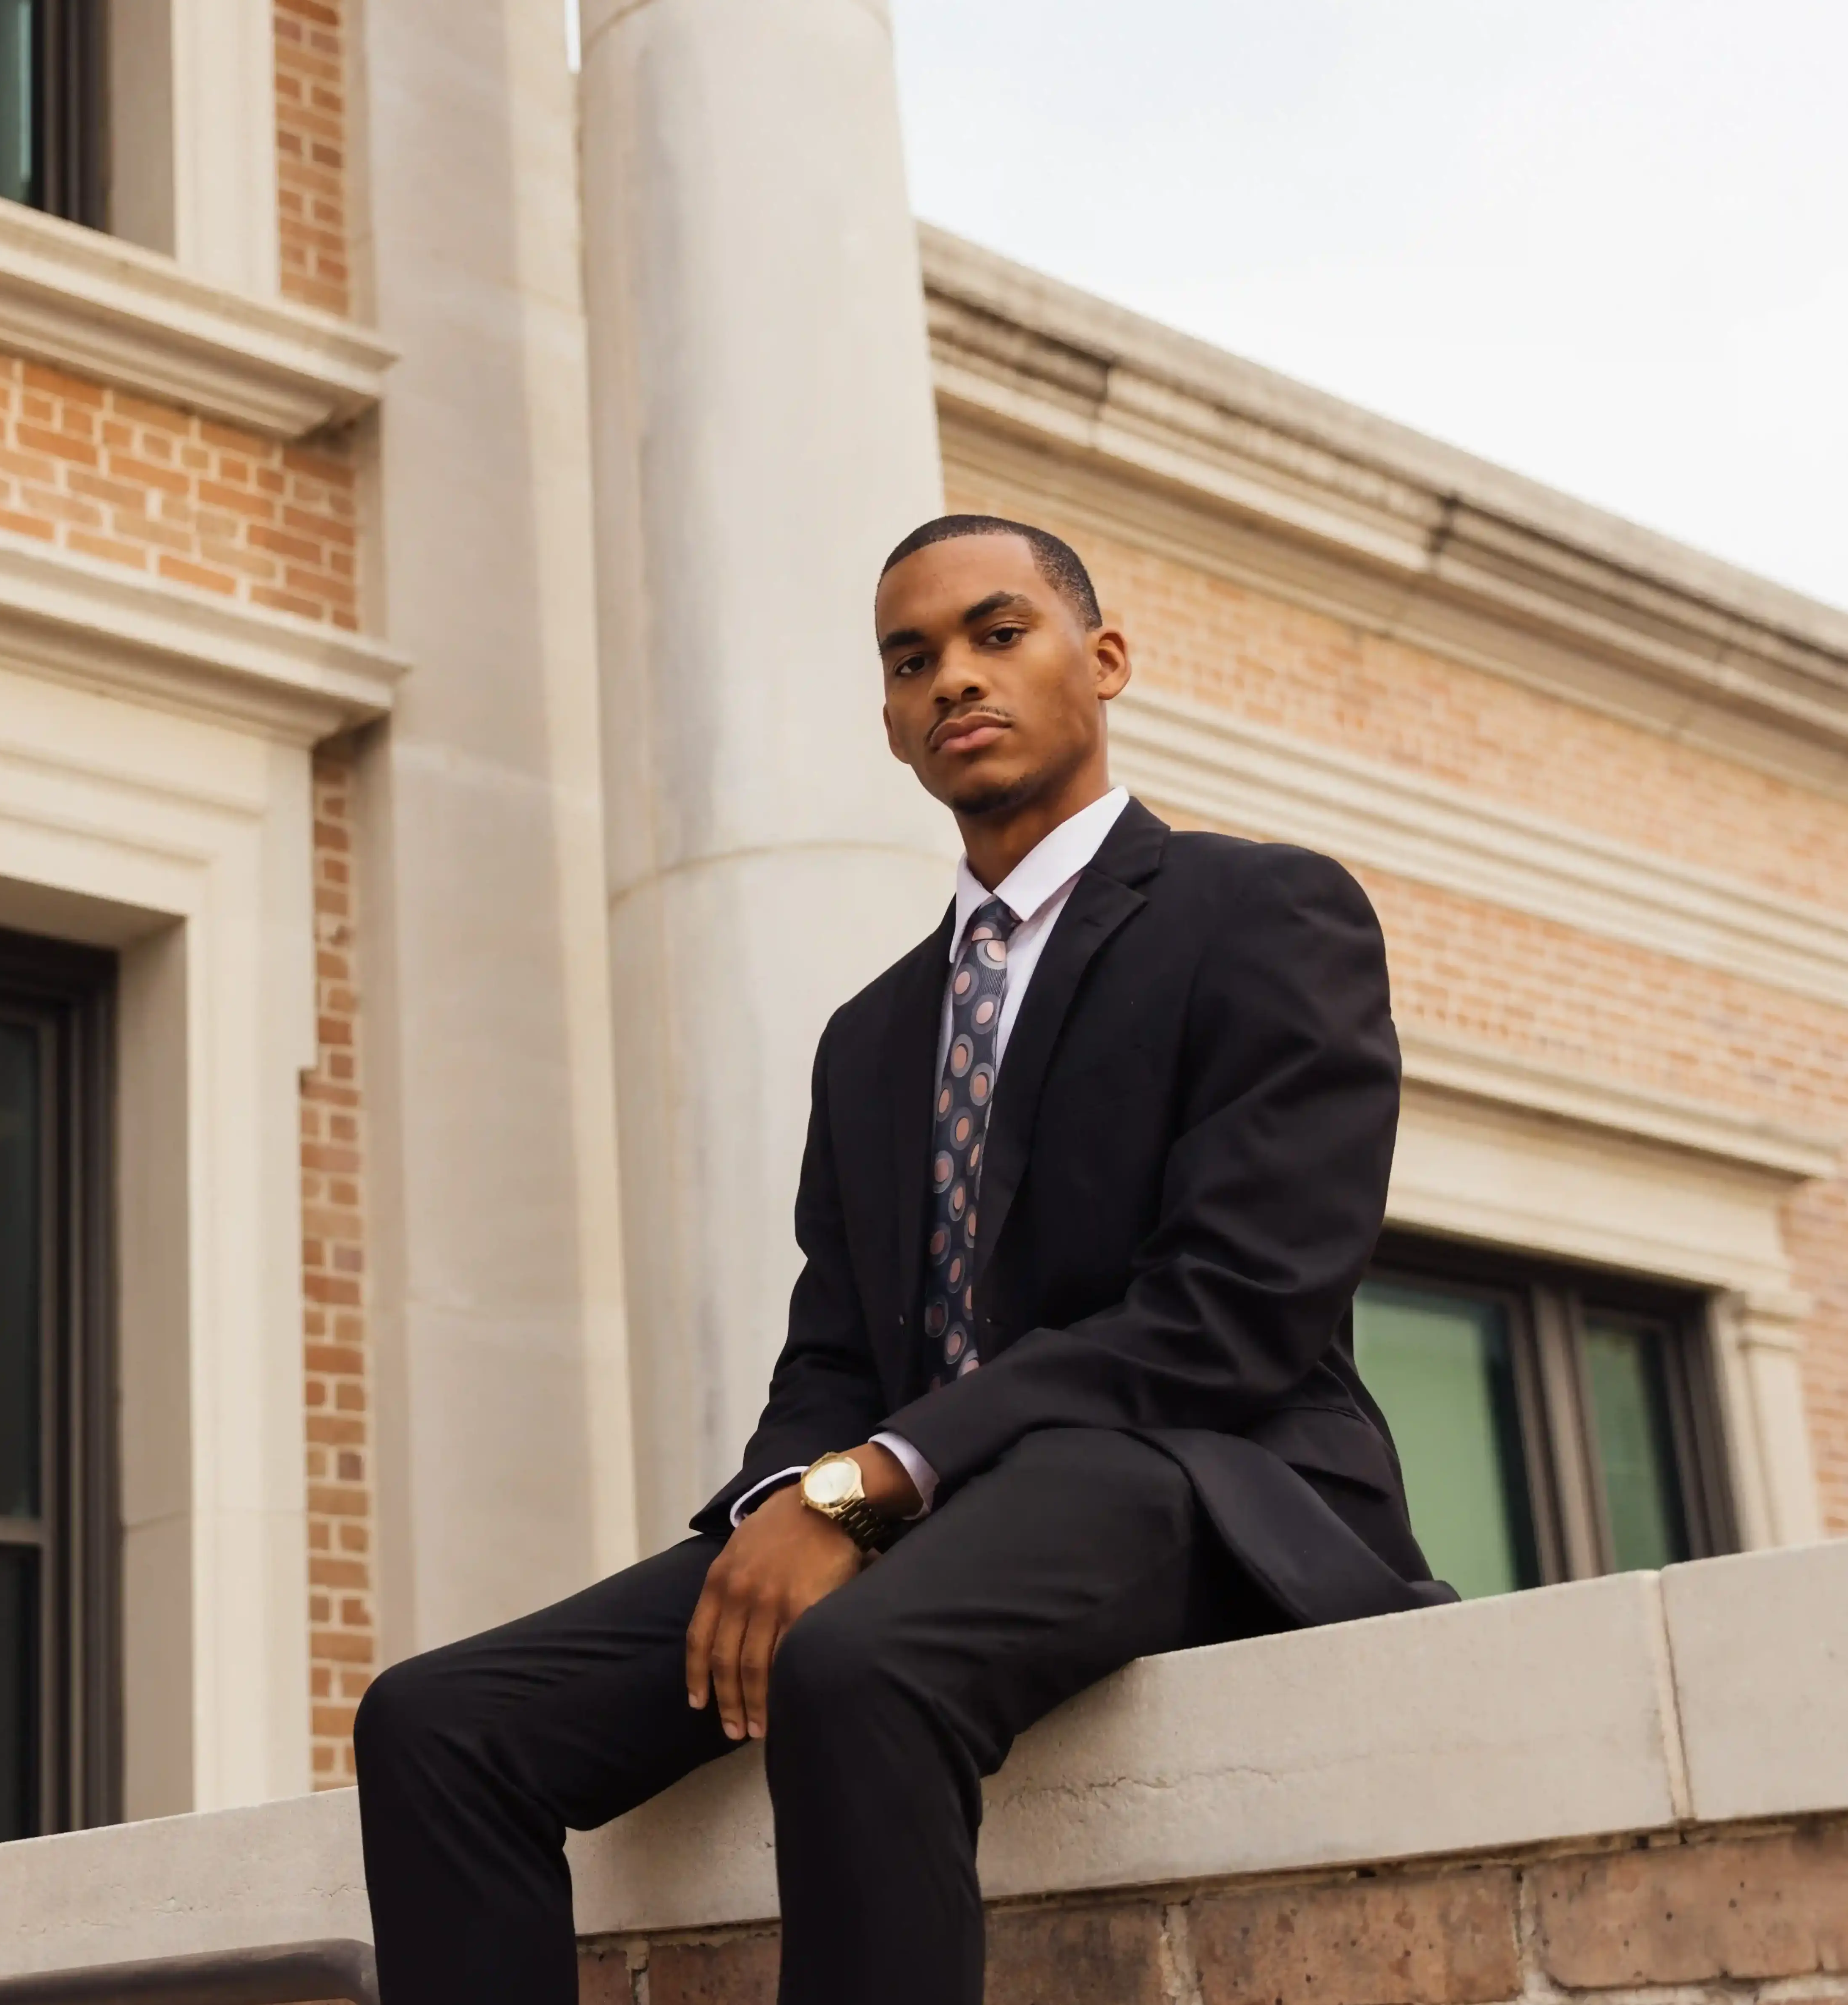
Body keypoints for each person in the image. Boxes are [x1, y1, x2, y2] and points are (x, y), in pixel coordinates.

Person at [354, 514, 1455, 2005]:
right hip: (926, 1506)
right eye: (911, 659)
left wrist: (871, 1481)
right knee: (437, 1722)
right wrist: (784, 1499)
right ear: (888, 721)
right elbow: (833, 1353)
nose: (954, 678)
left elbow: (1235, 1307)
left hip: (1199, 1464)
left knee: (854, 1661)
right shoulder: (872, 1033)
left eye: (998, 635)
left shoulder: (1259, 911)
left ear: (1103, 659)